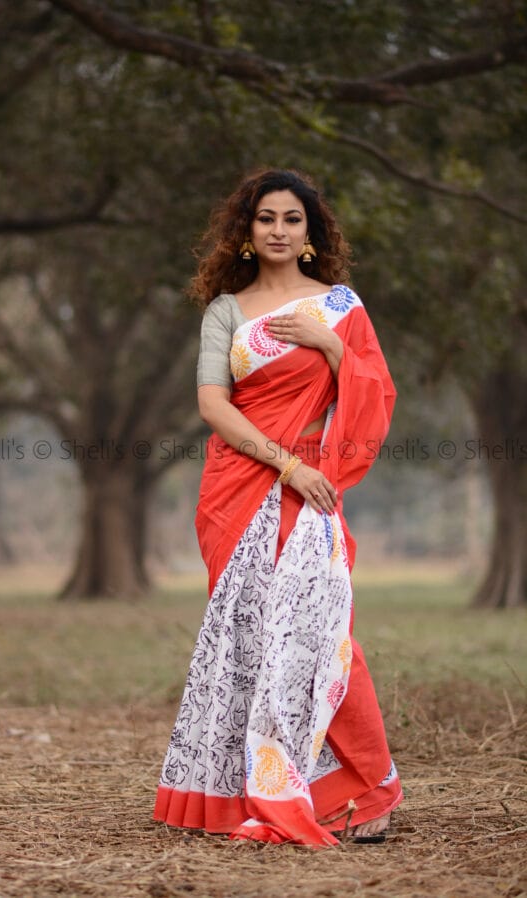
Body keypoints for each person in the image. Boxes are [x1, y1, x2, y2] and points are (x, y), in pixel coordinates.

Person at [153, 168, 402, 847]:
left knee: (324, 637)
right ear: (246, 230)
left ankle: (371, 789)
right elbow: (213, 405)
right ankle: (257, 791)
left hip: (312, 494)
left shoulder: (341, 308)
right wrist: (285, 463)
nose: (279, 231)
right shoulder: (226, 311)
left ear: (311, 232)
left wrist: (327, 346)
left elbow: (376, 391)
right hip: (239, 489)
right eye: (266, 219)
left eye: (292, 219)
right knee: (252, 642)